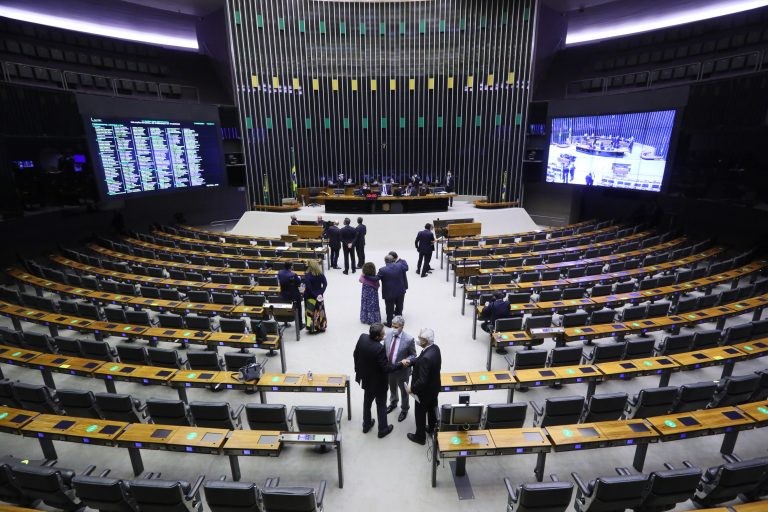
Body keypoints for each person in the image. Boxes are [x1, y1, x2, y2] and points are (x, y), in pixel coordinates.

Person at [353, 323, 400, 439]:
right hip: (379, 384)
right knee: (381, 405)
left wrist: (359, 369)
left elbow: (355, 354)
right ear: (377, 337)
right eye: (383, 333)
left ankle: (366, 425)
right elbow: (386, 368)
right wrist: (400, 364)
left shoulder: (362, 337)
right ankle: (383, 429)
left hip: (366, 380)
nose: (385, 335)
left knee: (367, 403)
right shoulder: (379, 348)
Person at [404, 328, 442, 445]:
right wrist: (411, 361)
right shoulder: (435, 348)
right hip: (434, 388)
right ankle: (431, 429)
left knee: (420, 414)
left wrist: (411, 389)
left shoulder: (426, 357)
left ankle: (420, 437)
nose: (418, 340)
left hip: (423, 393)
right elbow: (421, 359)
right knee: (432, 410)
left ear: (425, 341)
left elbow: (422, 381)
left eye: (420, 338)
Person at [383, 316, 416, 422]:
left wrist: (407, 360)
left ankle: (404, 409)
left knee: (404, 391)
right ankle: (393, 403)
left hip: (402, 371)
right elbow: (384, 349)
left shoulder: (409, 339)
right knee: (392, 388)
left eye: (396, 327)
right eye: (392, 326)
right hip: (390, 369)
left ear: (402, 326)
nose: (393, 328)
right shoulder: (388, 334)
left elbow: (413, 355)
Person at [377, 253, 408, 326]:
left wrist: (366, 276)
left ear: (385, 261)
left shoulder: (382, 270)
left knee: (389, 308)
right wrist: (401, 260)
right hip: (400, 291)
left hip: (389, 293)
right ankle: (399, 322)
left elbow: (376, 278)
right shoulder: (400, 265)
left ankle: (390, 323)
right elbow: (406, 268)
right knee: (399, 306)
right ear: (393, 260)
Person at [302, 260, 327, 333]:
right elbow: (325, 283)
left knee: (310, 312)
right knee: (320, 311)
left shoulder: (308, 275)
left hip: (310, 296)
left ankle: (311, 328)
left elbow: (309, 288)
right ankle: (321, 326)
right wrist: (321, 292)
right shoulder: (320, 274)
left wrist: (314, 294)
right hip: (319, 295)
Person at [277, 261, 303, 329]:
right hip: (293, 295)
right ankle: (300, 325)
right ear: (291, 267)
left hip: (283, 294)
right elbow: (298, 283)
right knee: (298, 308)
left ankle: (285, 322)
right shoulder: (293, 275)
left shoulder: (280, 272)